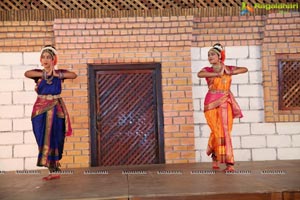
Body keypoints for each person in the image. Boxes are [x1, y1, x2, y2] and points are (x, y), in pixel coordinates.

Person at [24, 45, 77, 180]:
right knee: (41, 137)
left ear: (54, 59)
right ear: (41, 60)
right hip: (40, 110)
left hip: (56, 108)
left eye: (49, 57)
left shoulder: (59, 74)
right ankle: (50, 166)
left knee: (57, 137)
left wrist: (55, 74)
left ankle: (54, 168)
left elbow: (73, 75)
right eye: (44, 57)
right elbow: (27, 73)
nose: (46, 60)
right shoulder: (38, 73)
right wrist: (44, 74)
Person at [197, 43, 248, 172]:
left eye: (212, 54)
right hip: (210, 103)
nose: (210, 57)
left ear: (219, 56)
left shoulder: (227, 68)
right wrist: (217, 74)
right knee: (216, 130)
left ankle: (229, 162)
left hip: (225, 101)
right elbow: (199, 74)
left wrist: (229, 71)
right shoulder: (207, 70)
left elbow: (245, 69)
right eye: (208, 55)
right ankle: (215, 155)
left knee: (225, 130)